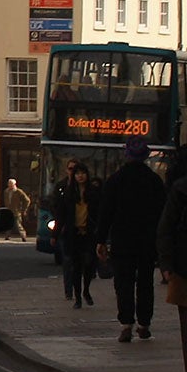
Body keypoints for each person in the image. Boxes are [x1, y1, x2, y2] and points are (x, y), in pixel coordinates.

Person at [95, 140, 168, 342]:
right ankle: (144, 323)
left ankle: (126, 324)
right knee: (145, 283)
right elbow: (163, 214)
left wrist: (100, 240)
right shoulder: (154, 181)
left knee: (123, 283)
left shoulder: (115, 180)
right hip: (147, 241)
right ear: (145, 156)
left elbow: (105, 213)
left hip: (122, 240)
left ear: (126, 155)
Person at [157, 148, 187, 372]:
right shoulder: (180, 189)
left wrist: (167, 266)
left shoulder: (180, 188)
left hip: (183, 269)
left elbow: (166, 229)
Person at [50, 160, 98, 307]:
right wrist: (55, 234)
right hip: (74, 234)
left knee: (89, 264)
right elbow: (61, 215)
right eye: (77, 173)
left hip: (89, 234)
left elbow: (100, 213)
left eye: (83, 173)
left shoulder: (94, 193)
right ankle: (77, 297)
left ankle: (86, 290)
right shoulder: (68, 194)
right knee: (76, 266)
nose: (80, 176)